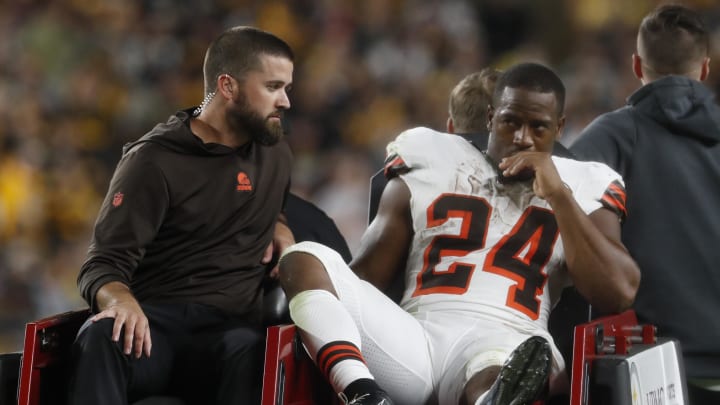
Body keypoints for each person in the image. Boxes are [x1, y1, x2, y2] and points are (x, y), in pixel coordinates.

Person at [279, 63, 640, 405]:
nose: (521, 138)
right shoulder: (430, 155)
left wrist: (560, 196)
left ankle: (492, 399)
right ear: (490, 118)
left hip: (507, 336)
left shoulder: (582, 183)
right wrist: (323, 305)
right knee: (305, 257)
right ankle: (361, 391)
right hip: (414, 337)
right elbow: (367, 276)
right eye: (509, 122)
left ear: (560, 128)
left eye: (538, 128)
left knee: (501, 370)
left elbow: (618, 292)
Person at [67, 26, 296, 405]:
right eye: (273, 87)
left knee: (255, 349)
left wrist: (281, 228)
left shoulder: (276, 153)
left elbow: (272, 205)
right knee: (100, 337)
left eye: (287, 88)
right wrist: (119, 302)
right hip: (155, 331)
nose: (285, 101)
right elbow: (101, 266)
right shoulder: (153, 160)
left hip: (230, 334)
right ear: (228, 87)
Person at [569, 4, 720, 402]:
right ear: (704, 68)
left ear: (637, 65)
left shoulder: (613, 136)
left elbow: (556, 199)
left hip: (658, 375)